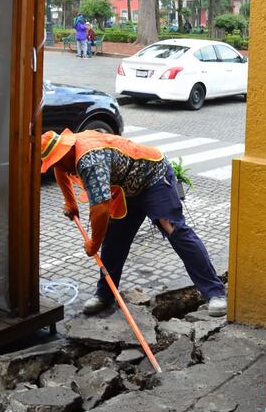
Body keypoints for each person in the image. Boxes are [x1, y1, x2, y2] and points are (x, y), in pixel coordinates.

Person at [40, 128, 228, 316]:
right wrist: (70, 202)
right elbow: (60, 170)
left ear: (66, 151)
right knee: (114, 241)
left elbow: (100, 209)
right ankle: (105, 295)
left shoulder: (90, 161)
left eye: (58, 161)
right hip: (126, 189)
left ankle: (215, 293)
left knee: (174, 229)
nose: (60, 167)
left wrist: (93, 244)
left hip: (154, 178)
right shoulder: (68, 153)